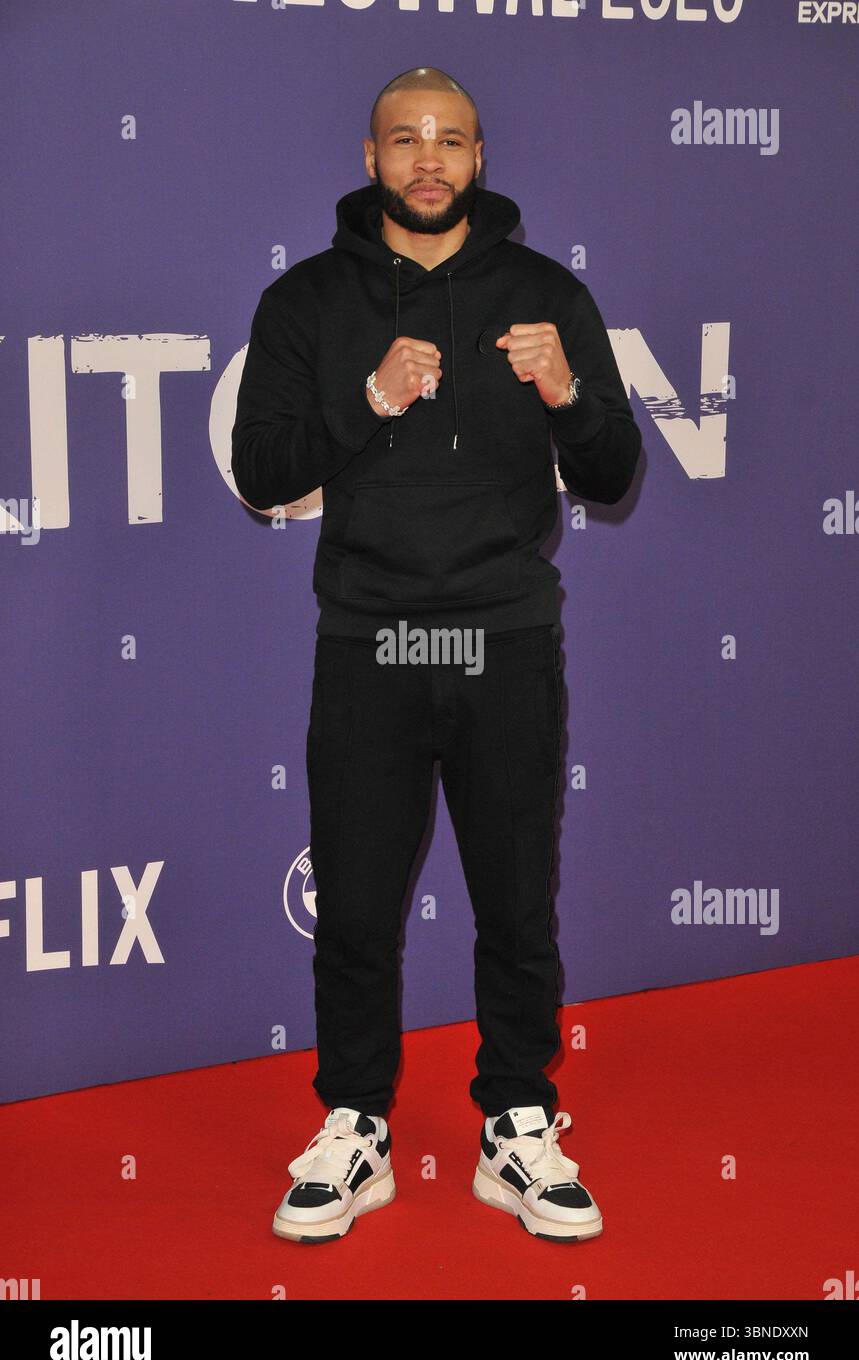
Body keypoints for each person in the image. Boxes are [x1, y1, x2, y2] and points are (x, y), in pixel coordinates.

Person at [231, 66, 641, 1245]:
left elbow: (612, 474)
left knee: (518, 904)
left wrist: (567, 391)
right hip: (369, 642)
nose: (426, 161)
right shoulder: (306, 303)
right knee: (355, 908)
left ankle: (516, 1122)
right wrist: (364, 397)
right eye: (403, 140)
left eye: (448, 141)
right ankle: (354, 1125)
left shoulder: (546, 294)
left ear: (478, 157)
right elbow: (263, 473)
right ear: (369, 160)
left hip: (505, 640)